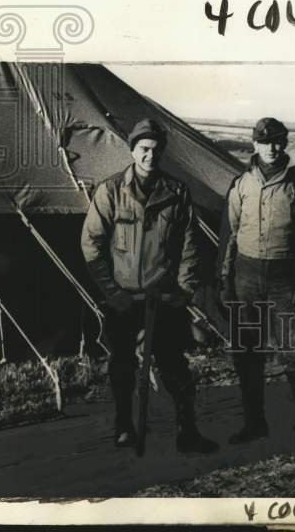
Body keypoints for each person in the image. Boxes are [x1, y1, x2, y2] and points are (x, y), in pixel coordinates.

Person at [81, 118, 216, 453]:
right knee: (123, 365)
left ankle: (187, 432)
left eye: (156, 150)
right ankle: (124, 425)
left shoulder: (176, 192)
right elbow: (91, 245)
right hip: (124, 298)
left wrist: (182, 291)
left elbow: (189, 245)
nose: (149, 156)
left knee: (174, 365)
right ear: (132, 150)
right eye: (143, 149)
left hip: (164, 296)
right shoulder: (110, 191)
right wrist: (112, 292)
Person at [218, 117, 295, 457]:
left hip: (285, 277)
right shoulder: (241, 184)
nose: (273, 148)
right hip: (246, 276)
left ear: (285, 144)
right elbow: (230, 233)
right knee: (247, 353)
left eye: (278, 141)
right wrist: (225, 278)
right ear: (255, 145)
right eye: (265, 142)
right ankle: (254, 423)